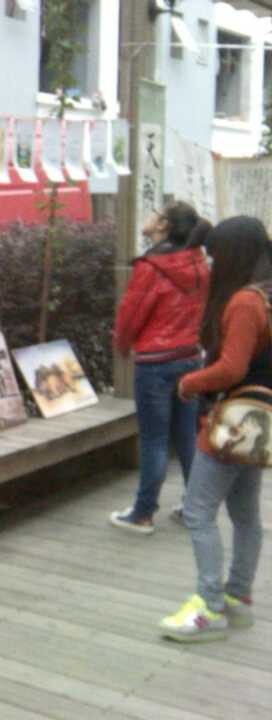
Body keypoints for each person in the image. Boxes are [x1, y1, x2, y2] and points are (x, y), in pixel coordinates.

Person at [159, 215, 270, 642]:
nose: (211, 263)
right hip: (258, 423)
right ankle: (237, 597)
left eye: (216, 255)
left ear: (234, 255)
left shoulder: (244, 302)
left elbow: (231, 368)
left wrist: (190, 382)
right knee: (245, 514)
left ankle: (209, 606)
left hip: (231, 423)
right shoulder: (266, 295)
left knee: (197, 511)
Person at [110, 201, 211, 533]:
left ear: (164, 225)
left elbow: (131, 314)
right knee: (186, 436)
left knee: (153, 439)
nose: (149, 215)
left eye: (155, 212)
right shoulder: (198, 262)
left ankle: (142, 512)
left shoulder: (152, 266)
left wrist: (121, 346)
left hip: (155, 362)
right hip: (190, 357)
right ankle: (195, 507)